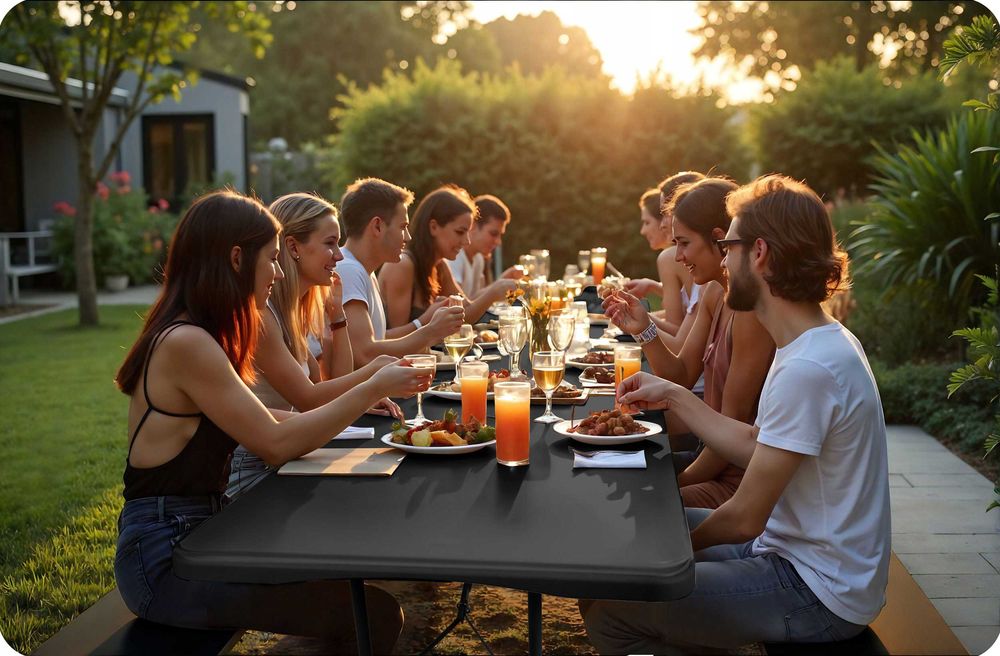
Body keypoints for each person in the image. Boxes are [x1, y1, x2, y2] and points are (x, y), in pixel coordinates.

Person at [113, 190, 432, 651]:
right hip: (166, 561)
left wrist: (356, 398)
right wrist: (373, 385)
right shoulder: (187, 342)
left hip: (203, 534)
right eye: (271, 258)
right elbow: (276, 443)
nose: (279, 271)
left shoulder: (197, 332)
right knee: (375, 616)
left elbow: (269, 419)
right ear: (237, 257)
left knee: (356, 583)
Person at [584, 175, 889, 653]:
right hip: (788, 551)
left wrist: (674, 556)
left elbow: (745, 517)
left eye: (727, 246)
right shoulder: (812, 343)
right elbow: (755, 443)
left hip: (816, 588)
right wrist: (674, 394)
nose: (722, 259)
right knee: (632, 534)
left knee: (613, 609)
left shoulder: (810, 366)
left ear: (760, 253)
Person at [604, 178, 775, 507]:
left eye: (683, 243)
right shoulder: (714, 293)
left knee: (640, 503)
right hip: (706, 457)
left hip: (733, 480)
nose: (678, 256)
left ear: (718, 239)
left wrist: (674, 484)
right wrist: (643, 329)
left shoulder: (752, 314)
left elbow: (733, 428)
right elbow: (680, 373)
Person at [226, 192, 405, 500]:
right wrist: (373, 380)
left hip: (285, 454)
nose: (339, 255)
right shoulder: (263, 316)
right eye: (330, 243)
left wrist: (337, 319)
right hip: (253, 465)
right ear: (293, 247)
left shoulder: (293, 309)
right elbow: (309, 399)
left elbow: (329, 385)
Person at [338, 178, 466, 367]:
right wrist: (430, 330)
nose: (408, 237)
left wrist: (430, 328)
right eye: (403, 227)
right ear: (377, 226)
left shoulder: (363, 270)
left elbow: (377, 346)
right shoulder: (348, 269)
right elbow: (364, 355)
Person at [379, 185, 517, 329]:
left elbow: (466, 314)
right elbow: (389, 341)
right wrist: (428, 320)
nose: (467, 241)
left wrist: (495, 292)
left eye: (467, 233)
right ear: (433, 227)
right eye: (460, 232)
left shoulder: (440, 265)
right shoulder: (403, 265)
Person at [625, 172, 705, 338]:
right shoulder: (699, 270)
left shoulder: (670, 258)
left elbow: (681, 335)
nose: (663, 223)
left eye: (665, 213)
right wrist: (654, 287)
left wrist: (637, 319)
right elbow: (690, 312)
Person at [446, 194, 524, 298]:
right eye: (493, 234)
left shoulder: (478, 259)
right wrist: (498, 286)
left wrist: (502, 282)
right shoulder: (455, 257)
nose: (498, 242)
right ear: (473, 226)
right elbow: (459, 305)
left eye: (500, 235)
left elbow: (474, 299)